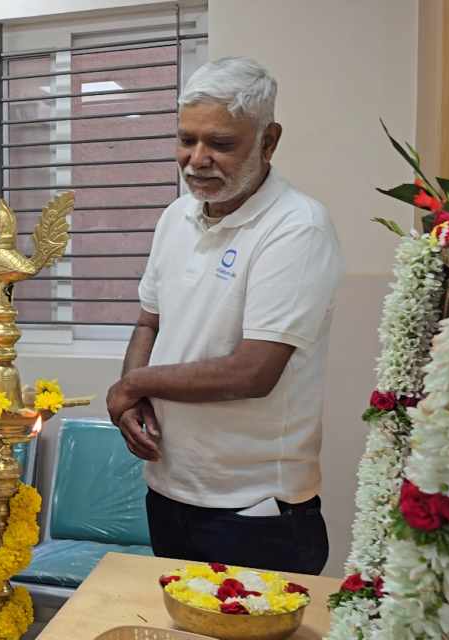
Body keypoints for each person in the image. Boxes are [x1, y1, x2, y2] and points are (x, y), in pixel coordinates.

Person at [105, 57, 345, 575]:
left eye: (221, 143)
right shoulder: (176, 217)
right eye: (186, 140)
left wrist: (134, 384)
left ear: (269, 141)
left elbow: (254, 372)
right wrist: (133, 395)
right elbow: (150, 321)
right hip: (169, 490)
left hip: (255, 510)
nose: (197, 159)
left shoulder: (296, 227)